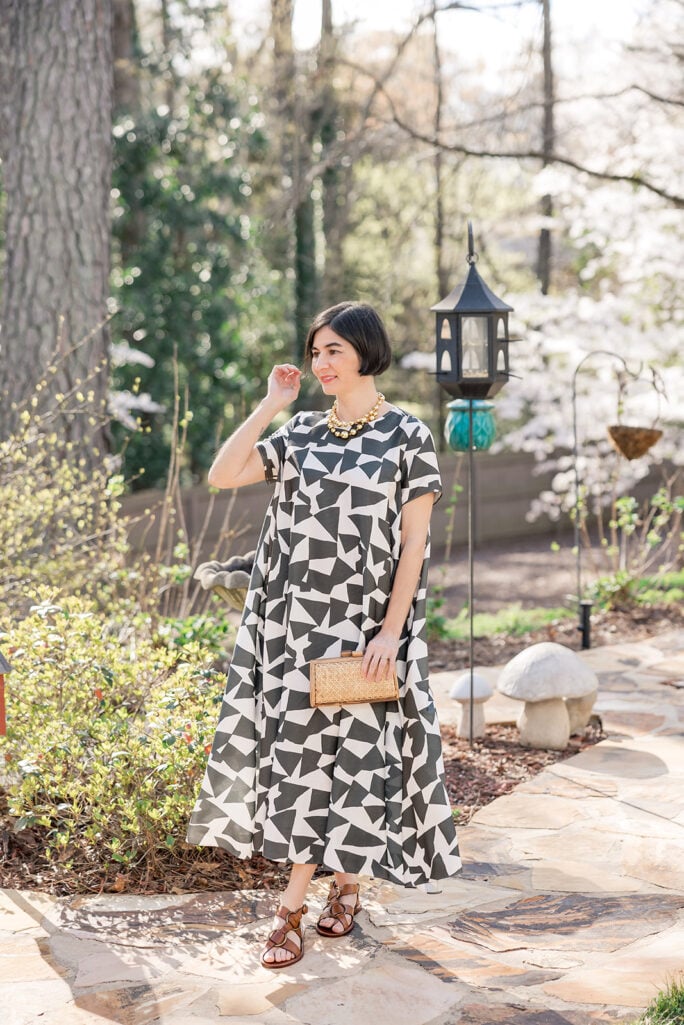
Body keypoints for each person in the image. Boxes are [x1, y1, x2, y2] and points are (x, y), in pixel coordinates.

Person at [186, 301, 461, 969]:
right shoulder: (303, 432)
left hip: (364, 633)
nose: (320, 363)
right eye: (315, 352)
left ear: (366, 351)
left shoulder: (406, 435)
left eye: (333, 350)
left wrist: (391, 632)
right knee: (308, 766)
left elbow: (414, 543)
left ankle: (292, 909)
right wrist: (270, 403)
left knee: (358, 758)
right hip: (294, 632)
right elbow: (223, 474)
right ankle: (341, 886)